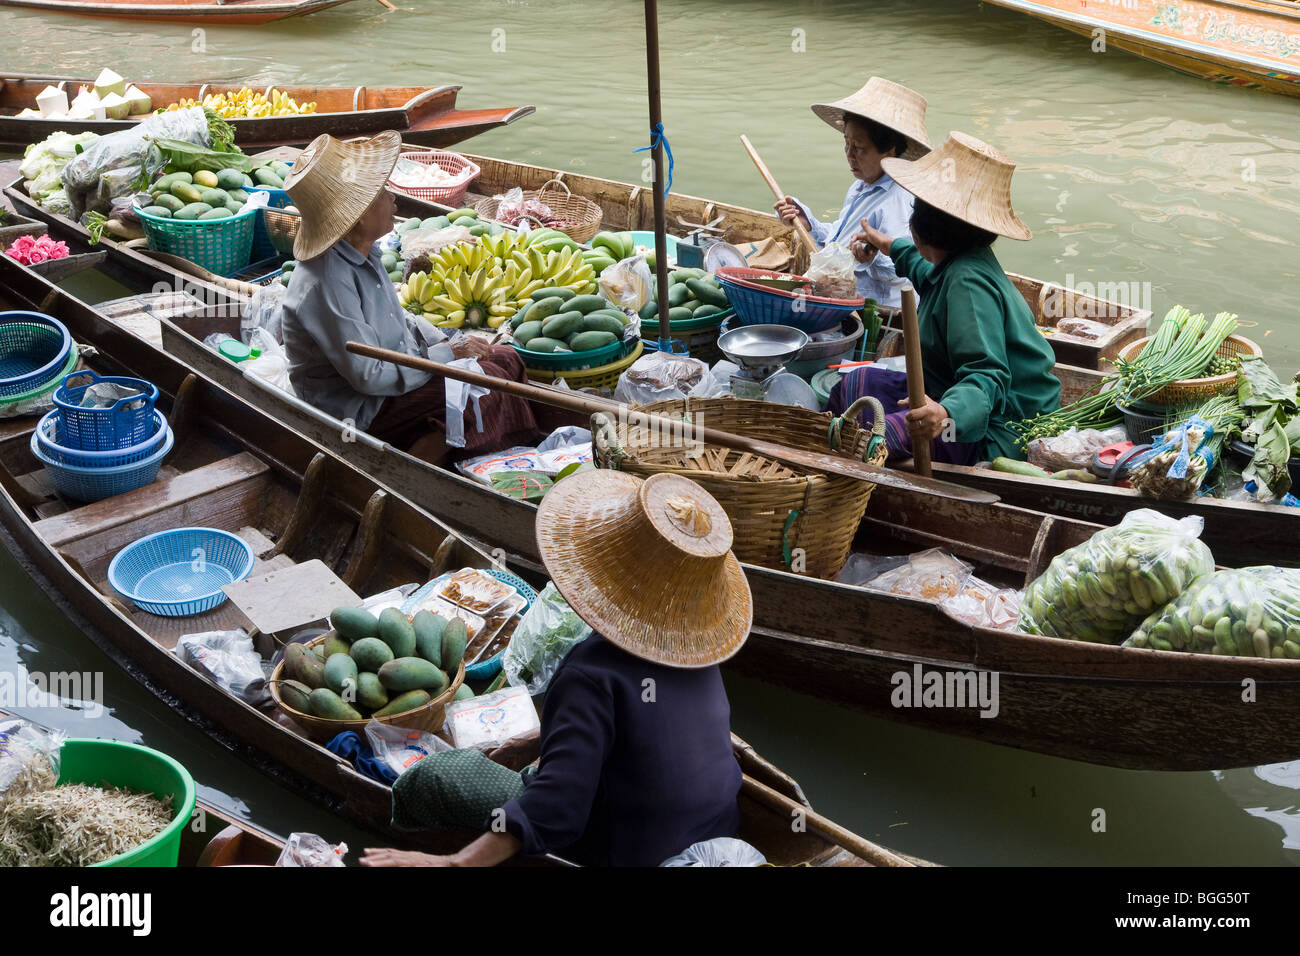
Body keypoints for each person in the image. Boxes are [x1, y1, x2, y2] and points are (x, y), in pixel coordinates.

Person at [360, 469, 754, 867]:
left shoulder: (589, 674)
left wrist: (453, 863)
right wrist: (535, 739)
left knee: (444, 773)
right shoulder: (696, 653)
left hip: (628, 852)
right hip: (718, 834)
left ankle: (405, 827)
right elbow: (641, 725)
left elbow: (558, 809)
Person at [280, 131, 536, 462]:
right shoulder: (326, 282)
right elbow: (368, 376)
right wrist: (446, 356)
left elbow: (398, 320)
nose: (393, 200)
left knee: (506, 359)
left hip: (392, 379)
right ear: (358, 215)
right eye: (382, 193)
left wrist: (450, 343)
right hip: (361, 409)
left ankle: (486, 449)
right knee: (478, 387)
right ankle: (409, 475)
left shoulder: (363, 254)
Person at [835, 132, 1060, 463]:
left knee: (879, 437)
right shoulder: (957, 261)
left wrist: (944, 412)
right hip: (952, 396)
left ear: (921, 228)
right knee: (856, 382)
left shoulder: (966, 283)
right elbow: (922, 269)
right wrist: (885, 243)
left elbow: (987, 375)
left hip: (996, 427)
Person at [773, 77, 931, 315]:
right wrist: (809, 223)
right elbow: (839, 242)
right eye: (846, 143)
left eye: (859, 147)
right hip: (835, 295)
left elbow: (908, 267)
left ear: (890, 151)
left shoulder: (902, 199)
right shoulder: (861, 186)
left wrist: (871, 258)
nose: (849, 154)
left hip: (874, 312)